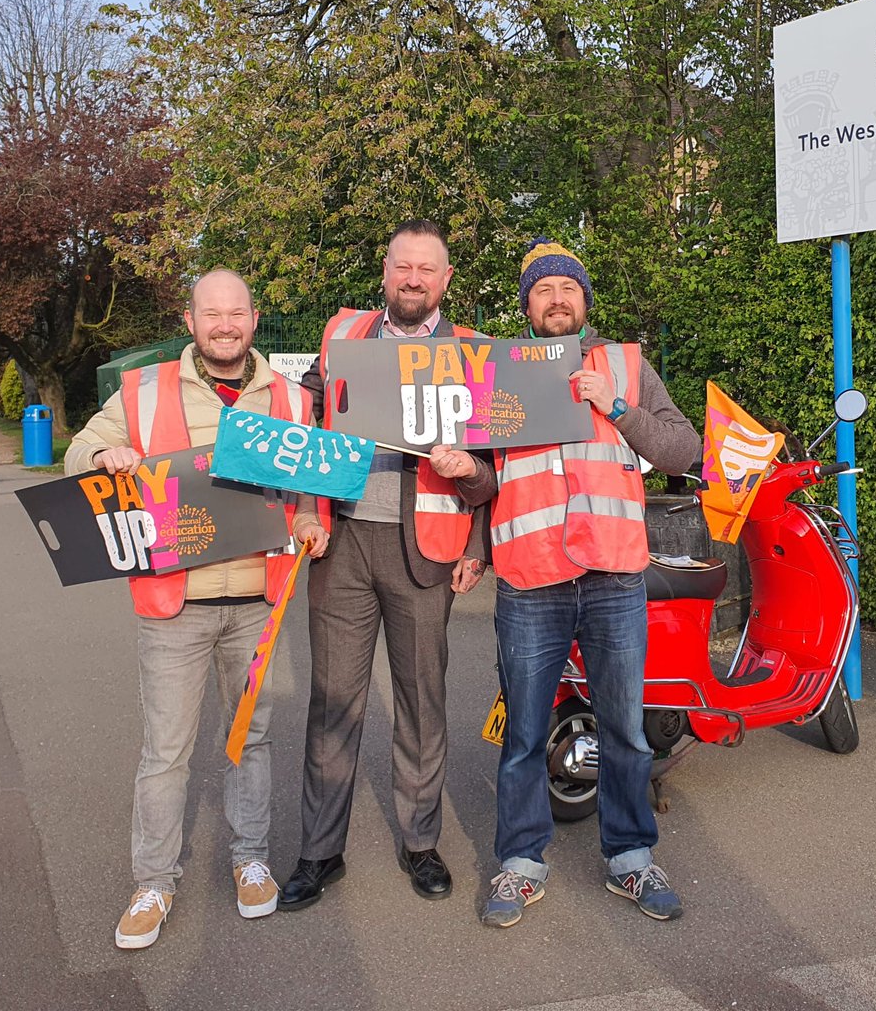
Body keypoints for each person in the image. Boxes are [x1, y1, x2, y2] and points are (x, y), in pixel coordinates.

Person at [430, 238, 701, 928]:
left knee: (625, 730)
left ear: (585, 301)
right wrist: (468, 492)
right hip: (531, 580)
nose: (556, 299)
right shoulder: (498, 372)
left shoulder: (627, 366)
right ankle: (520, 865)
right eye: (543, 290)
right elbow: (492, 479)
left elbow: (682, 449)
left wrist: (616, 406)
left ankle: (631, 858)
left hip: (613, 575)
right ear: (527, 306)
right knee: (523, 734)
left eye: (568, 289)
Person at [65, 268, 328, 950]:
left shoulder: (294, 401)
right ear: (191, 321)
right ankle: (153, 880)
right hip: (172, 605)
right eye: (210, 314)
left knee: (250, 741)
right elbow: (76, 454)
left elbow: (310, 490)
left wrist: (308, 520)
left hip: (257, 606)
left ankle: (250, 861)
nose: (224, 325)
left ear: (253, 317)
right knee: (166, 753)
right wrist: (105, 452)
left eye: (235, 313)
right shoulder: (142, 391)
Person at [277, 219, 489, 910]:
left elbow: (495, 470)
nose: (414, 279)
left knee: (422, 701)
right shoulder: (343, 336)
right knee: (332, 702)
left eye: (427, 269)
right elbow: (301, 424)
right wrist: (303, 507)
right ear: (386, 271)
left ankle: (421, 842)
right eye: (404, 266)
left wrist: (476, 526)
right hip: (340, 547)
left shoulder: (474, 354)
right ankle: (318, 852)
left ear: (445, 280)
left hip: (426, 547)